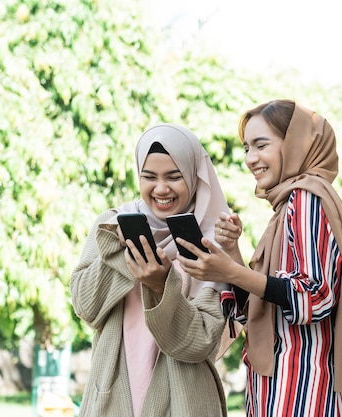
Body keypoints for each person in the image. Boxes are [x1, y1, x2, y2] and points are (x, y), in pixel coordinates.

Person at [176, 99, 342, 416]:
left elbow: (314, 296)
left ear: (294, 145)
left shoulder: (306, 198)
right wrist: (233, 252)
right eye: (247, 147)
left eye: (261, 145)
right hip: (278, 390)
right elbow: (261, 309)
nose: (250, 158)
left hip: (302, 390)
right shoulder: (286, 208)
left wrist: (231, 273)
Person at [71, 123, 231, 417]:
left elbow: (201, 342)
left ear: (193, 177)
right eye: (149, 177)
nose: (160, 189)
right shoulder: (113, 224)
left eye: (174, 177)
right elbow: (85, 306)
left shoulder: (213, 240)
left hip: (185, 401)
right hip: (113, 392)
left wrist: (160, 287)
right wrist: (118, 253)